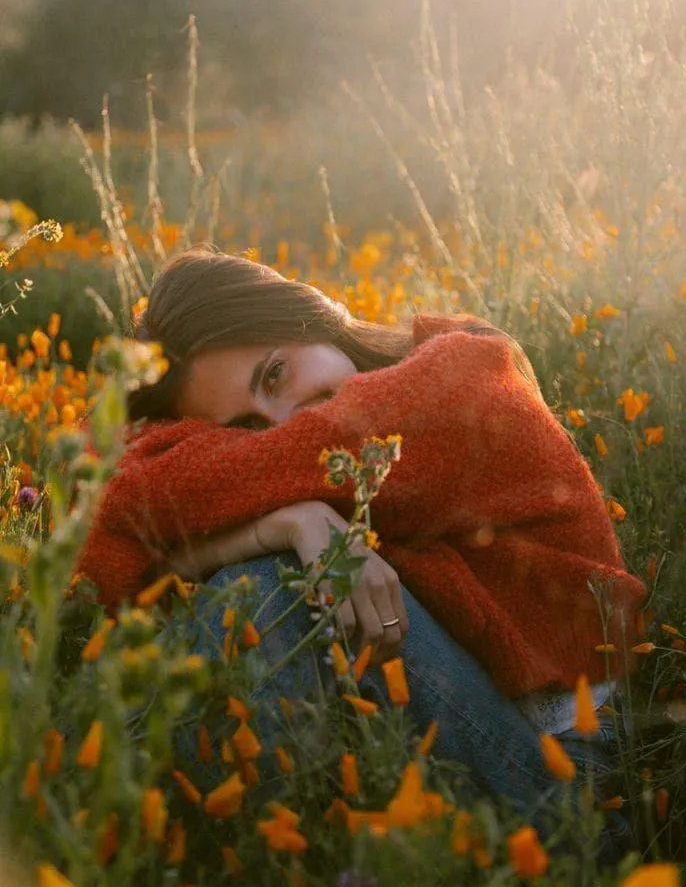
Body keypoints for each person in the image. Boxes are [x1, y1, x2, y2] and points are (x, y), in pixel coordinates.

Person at [75, 245, 646, 849]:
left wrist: (251, 525)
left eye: (275, 373)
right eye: (243, 430)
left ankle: (156, 844)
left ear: (310, 316)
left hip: (571, 786)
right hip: (449, 746)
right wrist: (280, 522)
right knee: (277, 574)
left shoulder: (465, 372)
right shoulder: (307, 473)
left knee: (275, 586)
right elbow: (99, 522)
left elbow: (112, 503)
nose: (283, 424)